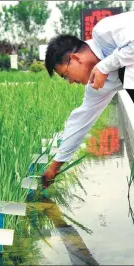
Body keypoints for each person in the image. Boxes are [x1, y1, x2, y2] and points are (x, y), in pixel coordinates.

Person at [42, 11, 134, 189]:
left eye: (65, 75)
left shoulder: (104, 31)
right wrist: (54, 167)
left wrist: (105, 66)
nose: (70, 82)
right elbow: (80, 121)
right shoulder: (95, 86)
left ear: (74, 58)